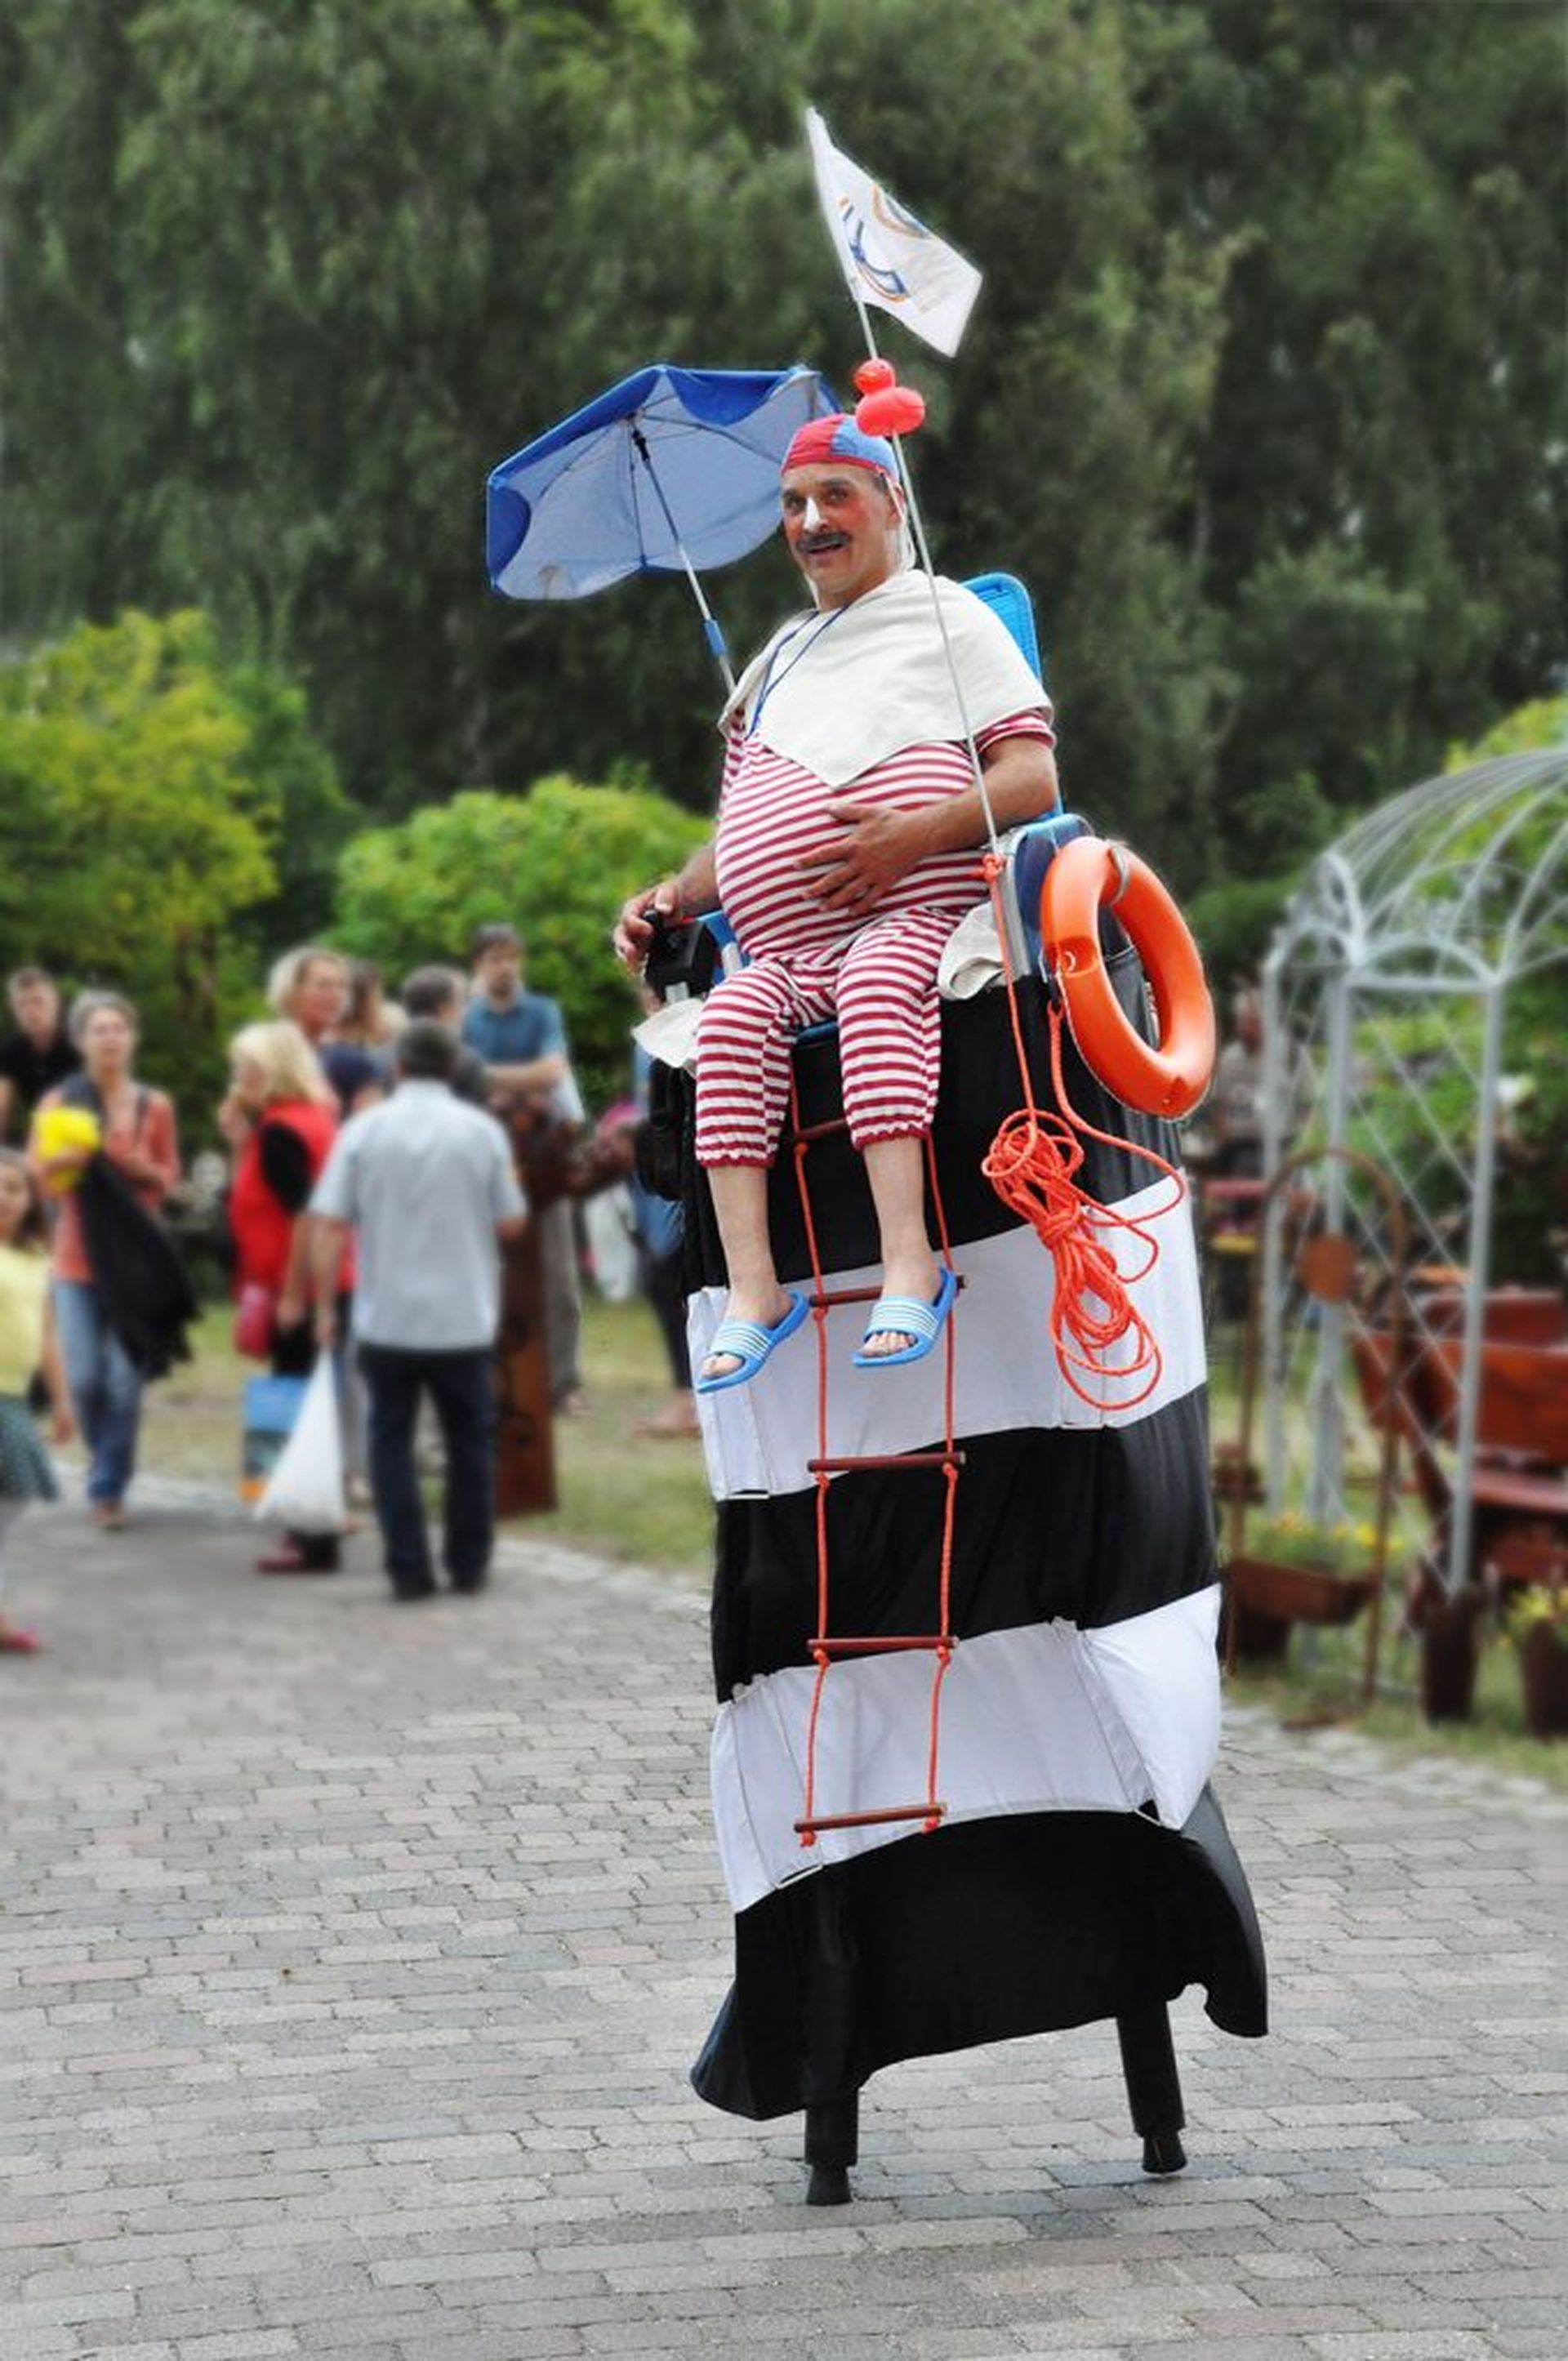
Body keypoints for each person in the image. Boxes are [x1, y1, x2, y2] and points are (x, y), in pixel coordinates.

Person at [613, 412, 1057, 1390]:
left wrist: (911, 836)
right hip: (787, 954)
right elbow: (739, 841)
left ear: (892, 503)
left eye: (834, 495)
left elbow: (1030, 778)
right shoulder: (774, 660)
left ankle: (909, 1261)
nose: (810, 520)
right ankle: (755, 1289)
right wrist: (672, 894)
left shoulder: (949, 617)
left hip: (918, 921)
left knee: (877, 972)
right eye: (793, 503)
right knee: (729, 1015)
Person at [308, 1019, 527, 1602]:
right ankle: (468, 1560)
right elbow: (510, 1220)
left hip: (388, 1316)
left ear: (396, 1067)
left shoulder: (362, 1131)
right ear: (453, 1069)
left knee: (390, 1439)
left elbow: (329, 1225)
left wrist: (326, 1306)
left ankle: (408, 1566)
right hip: (463, 1315)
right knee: (469, 1441)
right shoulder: (481, 1132)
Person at [29, 991, 180, 1528]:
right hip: (75, 1259)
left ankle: (108, 1486)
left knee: (124, 1380)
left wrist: (140, 1168)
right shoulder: (58, 1102)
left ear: (132, 1037)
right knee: (87, 1379)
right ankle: (105, 1460)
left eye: (119, 1027)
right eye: (99, 1029)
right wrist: (62, 1160)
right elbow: (33, 1179)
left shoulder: (153, 1105)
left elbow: (169, 1178)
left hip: (138, 1259)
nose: (111, 1037)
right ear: (80, 1040)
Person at [220, 1020, 345, 1575]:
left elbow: (303, 1213)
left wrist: (294, 1295)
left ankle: (310, 1534)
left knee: (295, 1407)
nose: (238, 1077)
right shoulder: (305, 1119)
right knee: (305, 1403)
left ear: (269, 1070)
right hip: (328, 1279)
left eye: (245, 1066)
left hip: (299, 1284)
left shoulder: (281, 1130)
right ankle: (308, 1527)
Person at [461, 923, 586, 1414]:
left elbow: (553, 1073)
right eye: (494, 957)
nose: (505, 966)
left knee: (559, 1277)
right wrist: (519, 1085)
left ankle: (563, 1383)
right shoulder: (468, 1018)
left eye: (511, 956)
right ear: (478, 965)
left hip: (541, 1157)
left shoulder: (541, 1011)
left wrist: (494, 1082)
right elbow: (461, 1077)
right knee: (488, 1273)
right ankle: (495, 1377)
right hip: (486, 1161)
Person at [0, 1151, 74, 1652]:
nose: (3, 1198)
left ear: (30, 1200)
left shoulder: (34, 1260)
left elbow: (48, 1337)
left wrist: (63, 1402)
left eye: (13, 1188)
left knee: (15, 1496)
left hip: (13, 1398)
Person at [266, 946, 383, 1121]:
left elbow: (373, 1131)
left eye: (342, 986)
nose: (336, 995)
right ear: (292, 990)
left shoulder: (352, 1061)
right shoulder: (262, 1052)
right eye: (323, 985)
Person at [0, 968, 82, 1142]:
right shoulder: (10, 1051)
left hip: (85, 1133)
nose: (30, 1011)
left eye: (38, 1002)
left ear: (56, 1002)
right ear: (12, 1008)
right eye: (22, 1004)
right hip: (42, 1137)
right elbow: (2, 1106)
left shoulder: (80, 1044)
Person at [399, 967, 491, 1107]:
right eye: (462, 1003)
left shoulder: (378, 1060)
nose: (466, 1012)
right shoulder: (468, 1062)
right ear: (445, 1009)